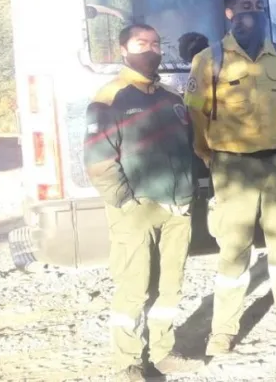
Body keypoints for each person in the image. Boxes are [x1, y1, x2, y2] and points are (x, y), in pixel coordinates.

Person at [184, 0, 276, 356]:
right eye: (245, 6)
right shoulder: (210, 58)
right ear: (229, 14)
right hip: (234, 165)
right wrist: (206, 151)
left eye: (259, 6)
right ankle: (223, 330)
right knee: (234, 248)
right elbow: (196, 113)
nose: (255, 12)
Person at [84, 24, 202, 380]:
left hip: (178, 209)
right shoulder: (109, 98)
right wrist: (125, 202)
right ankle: (128, 362)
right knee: (133, 288)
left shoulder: (171, 98)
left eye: (154, 44)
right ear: (124, 50)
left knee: (171, 285)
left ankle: (164, 351)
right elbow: (99, 162)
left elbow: (189, 149)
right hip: (136, 209)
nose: (150, 50)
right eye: (141, 44)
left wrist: (189, 193)